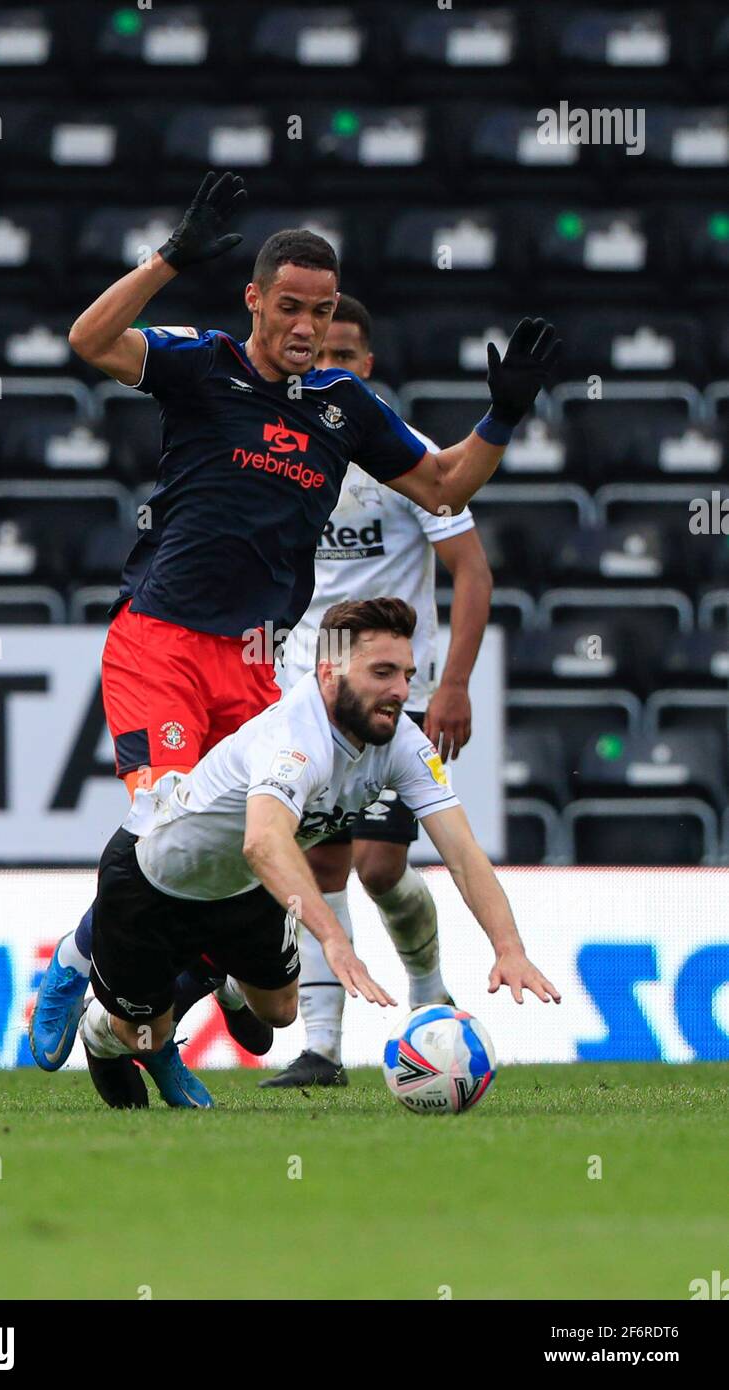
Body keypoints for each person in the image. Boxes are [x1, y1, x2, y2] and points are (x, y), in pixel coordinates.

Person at [29, 169, 560, 1097]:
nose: (307, 327)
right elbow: (90, 341)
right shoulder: (202, 365)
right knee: (162, 830)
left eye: (320, 311)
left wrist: (503, 416)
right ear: (254, 301)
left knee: (230, 844)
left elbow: (443, 487)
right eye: (290, 308)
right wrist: (168, 258)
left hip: (250, 658)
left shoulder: (344, 409)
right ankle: (80, 963)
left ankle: (156, 1023)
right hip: (159, 638)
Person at [79, 598, 560, 1110]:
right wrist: (333, 939)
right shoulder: (294, 737)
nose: (400, 691)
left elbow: (462, 850)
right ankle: (99, 1031)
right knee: (142, 1034)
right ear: (329, 670)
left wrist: (508, 948)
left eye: (406, 674)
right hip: (154, 881)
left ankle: (213, 973)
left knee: (280, 1013)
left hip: (244, 885)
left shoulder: (402, 743)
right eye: (382, 672)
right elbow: (263, 840)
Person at [264, 295, 493, 1086]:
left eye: (346, 356)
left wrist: (453, 683)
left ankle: (428, 993)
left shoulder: (409, 458)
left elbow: (472, 572)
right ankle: (322, 1049)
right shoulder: (284, 453)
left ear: (368, 367)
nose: (330, 367)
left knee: (381, 865)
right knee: (323, 864)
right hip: (308, 697)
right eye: (319, 354)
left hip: (397, 697)